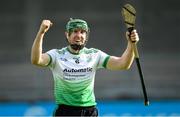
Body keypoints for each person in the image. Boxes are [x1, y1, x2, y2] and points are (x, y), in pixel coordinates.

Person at [31, 18, 139, 116]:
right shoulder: (56, 55)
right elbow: (37, 60)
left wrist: (131, 44)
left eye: (82, 32)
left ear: (86, 36)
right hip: (65, 111)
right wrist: (41, 33)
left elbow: (123, 64)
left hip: (90, 111)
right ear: (67, 35)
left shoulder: (94, 55)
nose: (79, 35)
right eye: (75, 31)